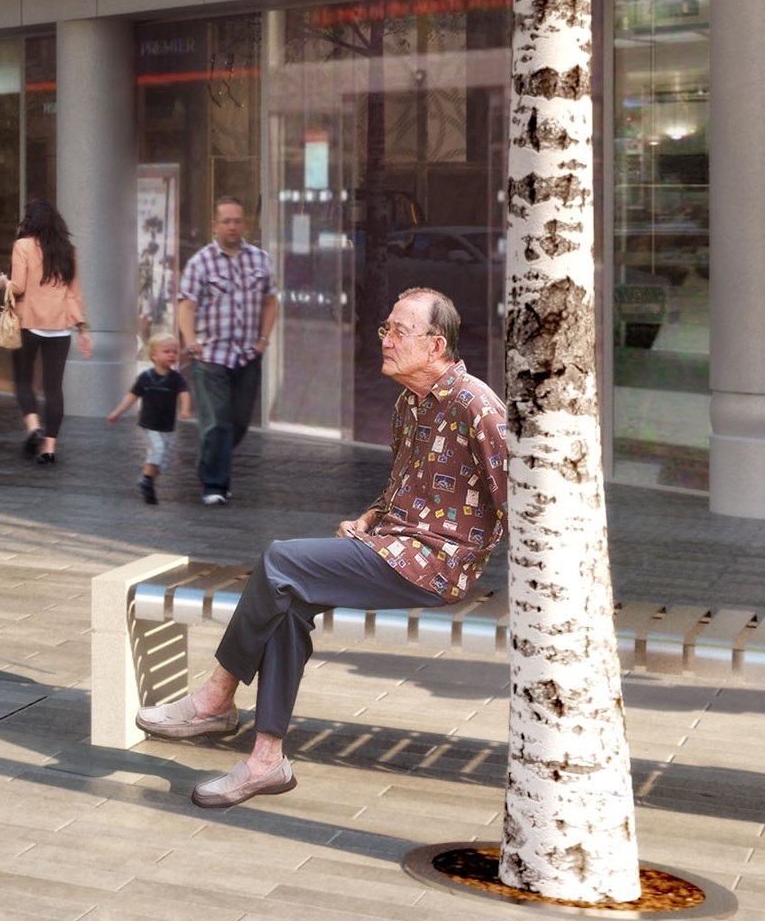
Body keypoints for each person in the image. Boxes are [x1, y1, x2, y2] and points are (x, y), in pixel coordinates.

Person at [140, 287, 509, 810]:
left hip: (434, 565)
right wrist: (371, 517)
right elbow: (406, 485)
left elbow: (519, 498)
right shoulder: (410, 402)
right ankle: (266, 762)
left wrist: (470, 555)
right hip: (393, 549)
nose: (385, 340)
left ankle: (215, 699)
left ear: (436, 345)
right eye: (386, 329)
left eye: (399, 331)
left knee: (280, 560)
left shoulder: (477, 405)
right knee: (288, 602)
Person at [177, 197, 279, 504]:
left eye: (237, 221)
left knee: (238, 423)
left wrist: (263, 341)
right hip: (211, 357)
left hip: (248, 355)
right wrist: (191, 341)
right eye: (226, 221)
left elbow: (271, 301)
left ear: (244, 224)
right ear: (215, 225)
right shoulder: (201, 262)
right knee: (217, 422)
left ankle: (211, 459)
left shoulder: (260, 260)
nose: (232, 226)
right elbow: (187, 305)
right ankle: (214, 487)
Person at [4, 199, 85, 465]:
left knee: (23, 380)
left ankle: (33, 427)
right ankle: (49, 448)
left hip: (29, 323)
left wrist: (1, 281)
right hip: (60, 328)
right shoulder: (68, 250)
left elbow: (16, 287)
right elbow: (74, 295)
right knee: (54, 389)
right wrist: (82, 328)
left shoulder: (23, 245)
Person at [125, 330, 190, 504]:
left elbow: (184, 394)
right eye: (167, 351)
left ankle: (149, 483)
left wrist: (185, 409)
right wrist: (118, 412)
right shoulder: (145, 377)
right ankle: (146, 479)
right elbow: (132, 395)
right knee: (158, 449)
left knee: (165, 460)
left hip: (167, 425)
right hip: (149, 423)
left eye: (174, 352)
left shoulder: (176, 378)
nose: (172, 355)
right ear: (154, 355)